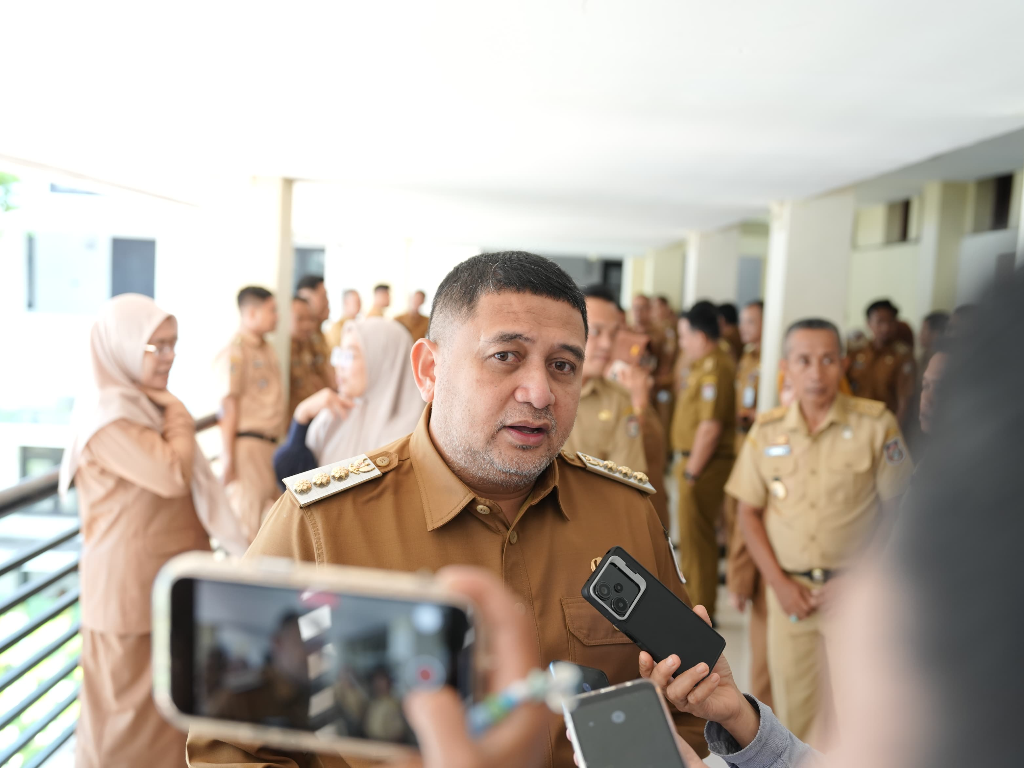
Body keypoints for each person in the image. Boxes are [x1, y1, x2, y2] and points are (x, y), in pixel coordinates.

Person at [187, 251, 708, 768]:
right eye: (506, 356)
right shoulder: (320, 526)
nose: (540, 392)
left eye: (563, 366)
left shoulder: (624, 512)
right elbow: (228, 751)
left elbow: (690, 708)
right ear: (429, 370)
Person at [58, 294, 246, 768]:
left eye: (172, 344)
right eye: (155, 346)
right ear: (121, 347)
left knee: (165, 714)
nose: (168, 356)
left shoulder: (140, 405)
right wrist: (179, 416)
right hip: (129, 593)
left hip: (160, 582)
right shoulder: (108, 417)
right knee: (124, 722)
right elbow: (171, 473)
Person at [726, 318, 913, 743]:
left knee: (862, 714)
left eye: (828, 360)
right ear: (786, 368)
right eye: (804, 361)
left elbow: (899, 511)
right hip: (791, 598)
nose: (816, 372)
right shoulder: (767, 430)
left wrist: (860, 580)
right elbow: (748, 512)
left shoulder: (875, 425)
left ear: (843, 364)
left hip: (856, 598)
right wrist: (777, 583)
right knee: (797, 713)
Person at [272, 318, 425, 481]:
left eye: (350, 355)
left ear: (384, 361)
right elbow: (294, 480)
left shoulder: (413, 437)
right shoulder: (336, 414)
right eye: (340, 354)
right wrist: (302, 415)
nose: (338, 365)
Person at [671, 301, 736, 620]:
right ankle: (693, 604)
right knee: (691, 540)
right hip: (693, 461)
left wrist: (692, 472)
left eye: (684, 336)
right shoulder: (702, 365)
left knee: (698, 542)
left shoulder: (716, 368)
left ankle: (700, 610)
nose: (682, 343)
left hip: (703, 464)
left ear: (700, 336)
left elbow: (710, 427)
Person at [724, 299, 772, 707]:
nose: (745, 327)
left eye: (752, 321)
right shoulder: (747, 358)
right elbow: (746, 515)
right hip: (743, 447)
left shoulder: (765, 361)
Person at [214, 286, 285, 544]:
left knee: (274, 525)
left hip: (271, 445)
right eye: (272, 310)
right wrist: (228, 459)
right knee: (249, 528)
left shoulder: (266, 348)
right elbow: (228, 407)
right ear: (252, 313)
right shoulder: (236, 352)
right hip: (248, 447)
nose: (277, 316)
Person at [562, 285, 648, 476]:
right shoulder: (533, 391)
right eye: (596, 332)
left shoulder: (618, 401)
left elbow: (625, 481)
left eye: (614, 334)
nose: (607, 344)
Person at [847, 299, 916, 428]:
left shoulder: (902, 356)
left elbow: (905, 401)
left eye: (890, 322)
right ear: (869, 323)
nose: (885, 328)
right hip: (854, 420)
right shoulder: (856, 352)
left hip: (883, 424)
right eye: (880, 322)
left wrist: (893, 430)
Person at [288, 296, 336, 416]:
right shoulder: (284, 351)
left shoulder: (309, 347)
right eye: (300, 319)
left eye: (311, 319)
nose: (307, 325)